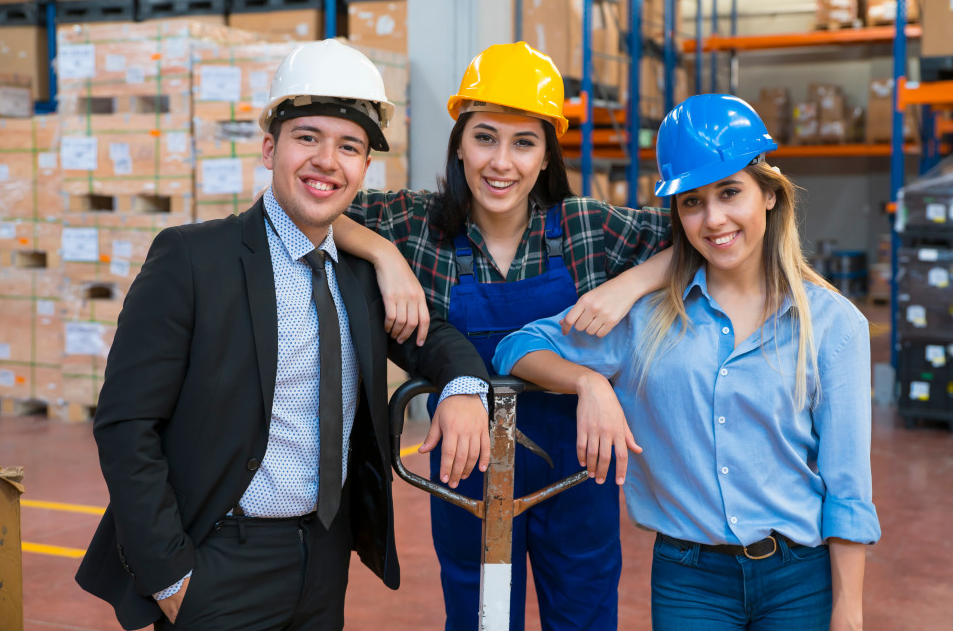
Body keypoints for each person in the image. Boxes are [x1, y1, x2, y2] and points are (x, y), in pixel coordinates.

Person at [74, 39, 492, 631]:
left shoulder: (361, 275)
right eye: (307, 137)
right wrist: (171, 577)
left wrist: (467, 387)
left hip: (324, 559)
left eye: (349, 146)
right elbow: (125, 424)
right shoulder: (194, 259)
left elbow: (434, 337)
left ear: (364, 169)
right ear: (270, 147)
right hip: (220, 559)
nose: (327, 161)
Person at [494, 94, 881, 630]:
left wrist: (849, 613)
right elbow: (517, 347)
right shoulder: (644, 321)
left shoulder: (834, 325)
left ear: (768, 194)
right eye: (692, 202)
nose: (713, 219)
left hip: (800, 577)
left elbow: (848, 489)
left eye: (729, 193)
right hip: (689, 581)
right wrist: (588, 382)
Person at [331, 41, 673, 630]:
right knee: (479, 617)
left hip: (578, 467)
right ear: (459, 143)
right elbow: (299, 203)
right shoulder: (415, 225)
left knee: (586, 614)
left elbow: (703, 237)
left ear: (546, 156)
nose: (501, 162)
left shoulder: (587, 228)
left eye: (524, 142)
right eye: (485, 136)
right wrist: (385, 255)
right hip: (469, 465)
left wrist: (629, 284)